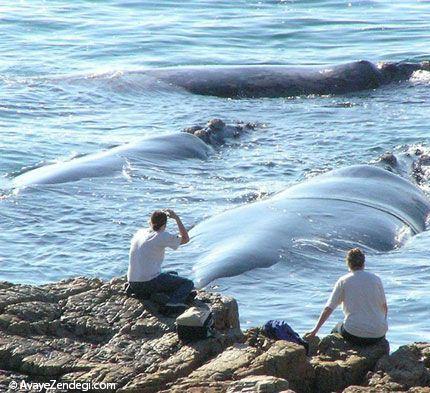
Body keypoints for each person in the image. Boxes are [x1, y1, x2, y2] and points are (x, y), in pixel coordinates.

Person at [306, 248, 388, 346]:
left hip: (354, 333)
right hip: (378, 334)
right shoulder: (376, 279)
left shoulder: (343, 281)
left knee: (336, 329)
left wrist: (315, 330)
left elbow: (329, 308)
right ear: (363, 263)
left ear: (348, 263)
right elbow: (384, 307)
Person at [127, 209, 194, 307]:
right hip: (147, 283)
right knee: (187, 283)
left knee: (173, 274)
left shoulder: (140, 233)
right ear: (165, 224)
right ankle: (172, 303)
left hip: (133, 282)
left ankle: (147, 294)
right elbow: (185, 239)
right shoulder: (161, 235)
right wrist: (177, 218)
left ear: (150, 221)